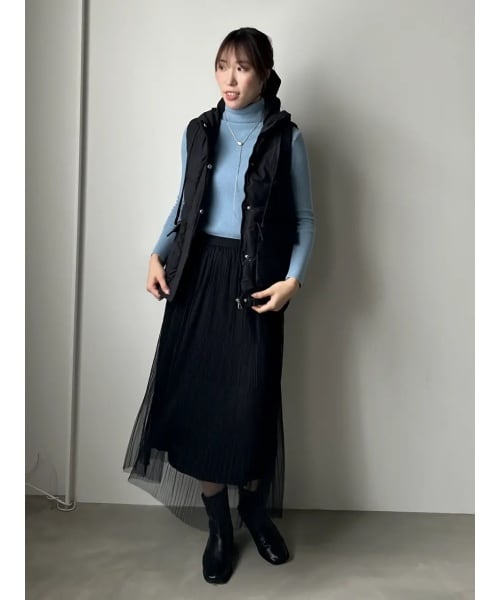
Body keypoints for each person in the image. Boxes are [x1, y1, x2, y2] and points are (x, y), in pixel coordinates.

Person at [123, 27, 315, 585]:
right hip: (198, 276)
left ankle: (254, 513)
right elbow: (183, 205)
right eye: (223, 66)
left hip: (256, 283)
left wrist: (292, 281)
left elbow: (305, 220)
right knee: (202, 405)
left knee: (251, 404)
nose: (230, 79)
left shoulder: (287, 138)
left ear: (264, 74)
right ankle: (217, 528)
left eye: (243, 68)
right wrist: (156, 255)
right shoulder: (199, 131)